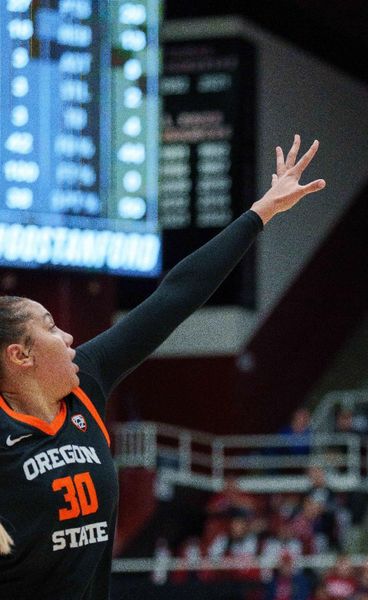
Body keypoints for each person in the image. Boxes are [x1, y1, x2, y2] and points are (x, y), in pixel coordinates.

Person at [0, 135, 325, 599]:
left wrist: (260, 213)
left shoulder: (86, 383)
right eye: (51, 328)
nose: (68, 337)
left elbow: (175, 296)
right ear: (20, 356)